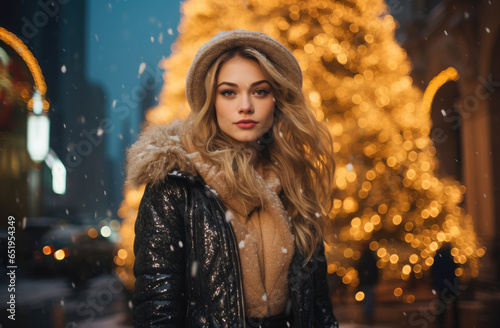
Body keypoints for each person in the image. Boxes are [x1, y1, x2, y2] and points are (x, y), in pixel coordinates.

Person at [126, 29, 339, 328]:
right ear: (210, 101)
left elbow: (319, 309)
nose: (245, 106)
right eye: (229, 92)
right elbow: (157, 310)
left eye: (260, 91)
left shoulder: (293, 185)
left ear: (276, 99)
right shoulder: (175, 187)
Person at [356, 242, 379, 325]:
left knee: (368, 300)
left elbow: (371, 270)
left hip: (368, 282)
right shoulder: (367, 257)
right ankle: (368, 316)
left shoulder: (367, 257)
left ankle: (368, 317)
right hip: (367, 281)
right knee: (368, 300)